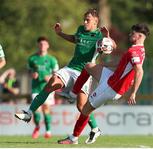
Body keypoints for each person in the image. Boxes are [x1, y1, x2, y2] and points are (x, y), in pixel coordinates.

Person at [15, 8, 112, 144]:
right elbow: (75, 39)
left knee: (82, 106)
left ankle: (95, 128)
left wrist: (108, 38)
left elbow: (111, 46)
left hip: (85, 72)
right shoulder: (80, 29)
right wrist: (60, 34)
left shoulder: (100, 36)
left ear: (95, 22)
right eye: (84, 19)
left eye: (88, 20)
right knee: (52, 81)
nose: (84, 22)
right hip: (71, 67)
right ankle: (29, 113)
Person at [57, 23, 150, 144]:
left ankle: (74, 138)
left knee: (85, 109)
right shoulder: (141, 50)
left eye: (132, 33)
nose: (130, 34)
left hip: (111, 87)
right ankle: (73, 93)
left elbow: (139, 71)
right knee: (88, 66)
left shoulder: (134, 52)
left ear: (139, 36)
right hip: (112, 78)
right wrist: (104, 65)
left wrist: (134, 93)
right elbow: (122, 66)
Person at [28, 36, 59, 139]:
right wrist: (32, 74)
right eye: (40, 44)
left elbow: (57, 74)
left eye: (44, 44)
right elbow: (29, 71)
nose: (42, 46)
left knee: (46, 109)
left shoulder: (52, 60)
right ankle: (37, 127)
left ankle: (48, 131)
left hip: (48, 88)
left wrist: (50, 77)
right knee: (36, 110)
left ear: (48, 46)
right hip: (36, 88)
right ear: (38, 45)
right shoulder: (32, 59)